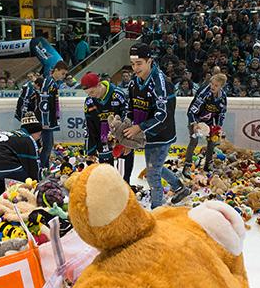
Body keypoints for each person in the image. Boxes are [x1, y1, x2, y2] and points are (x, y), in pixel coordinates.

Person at [124, 43, 190, 209]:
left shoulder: (160, 84)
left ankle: (157, 211)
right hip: (146, 134)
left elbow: (162, 115)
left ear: (149, 61)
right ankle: (180, 187)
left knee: (152, 174)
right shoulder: (134, 82)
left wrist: (139, 128)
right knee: (154, 168)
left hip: (162, 135)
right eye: (133, 64)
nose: (135, 68)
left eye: (139, 63)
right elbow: (130, 108)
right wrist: (126, 135)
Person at [81, 72, 134, 184]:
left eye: (92, 92)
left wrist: (126, 142)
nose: (91, 95)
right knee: (106, 179)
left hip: (121, 139)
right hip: (103, 140)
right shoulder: (89, 102)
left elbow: (128, 119)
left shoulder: (118, 95)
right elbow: (90, 128)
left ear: (99, 84)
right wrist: (90, 151)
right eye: (88, 93)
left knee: (123, 178)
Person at [0, 112, 42, 196]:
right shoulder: (28, 139)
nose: (39, 137)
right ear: (35, 132)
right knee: (25, 179)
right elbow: (33, 165)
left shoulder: (13, 134)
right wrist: (38, 186)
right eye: (39, 134)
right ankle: (22, 199)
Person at [183, 73, 228, 179]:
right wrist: (194, 124)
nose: (212, 87)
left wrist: (218, 127)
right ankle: (187, 166)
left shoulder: (223, 97)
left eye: (216, 85)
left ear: (221, 86)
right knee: (194, 140)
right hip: (196, 119)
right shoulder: (204, 93)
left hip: (209, 122)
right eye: (212, 84)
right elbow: (191, 111)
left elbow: (221, 114)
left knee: (212, 141)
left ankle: (208, 164)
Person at [36, 60, 68, 170]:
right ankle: (41, 169)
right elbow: (43, 103)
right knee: (47, 146)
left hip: (50, 120)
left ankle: (45, 167)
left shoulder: (52, 82)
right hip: (47, 121)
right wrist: (45, 122)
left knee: (49, 145)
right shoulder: (48, 82)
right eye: (62, 73)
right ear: (56, 70)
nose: (64, 76)